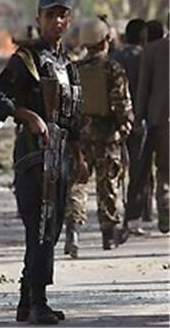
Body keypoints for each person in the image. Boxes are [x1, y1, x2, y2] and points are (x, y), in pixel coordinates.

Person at [0, 0, 83, 325]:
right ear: (39, 18)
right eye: (50, 15)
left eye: (62, 15)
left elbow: (74, 116)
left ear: (68, 20)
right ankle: (37, 302)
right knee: (39, 228)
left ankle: (27, 300)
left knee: (51, 230)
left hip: (61, 156)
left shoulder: (67, 63)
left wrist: (80, 154)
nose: (57, 21)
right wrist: (26, 114)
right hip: (33, 156)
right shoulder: (26, 59)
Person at [64, 16, 133, 257]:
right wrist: (126, 128)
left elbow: (68, 106)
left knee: (77, 185)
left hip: (80, 138)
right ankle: (109, 235)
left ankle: (73, 229)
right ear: (105, 40)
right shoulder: (113, 68)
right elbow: (121, 104)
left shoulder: (74, 70)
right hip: (107, 138)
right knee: (108, 185)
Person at [112, 19, 152, 232]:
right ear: (143, 36)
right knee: (139, 170)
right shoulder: (144, 57)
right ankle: (136, 217)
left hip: (112, 123)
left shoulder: (114, 56)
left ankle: (114, 215)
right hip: (138, 121)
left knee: (114, 170)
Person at [134, 30, 169, 234]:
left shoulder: (152, 50)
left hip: (160, 118)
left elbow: (143, 88)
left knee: (164, 167)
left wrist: (139, 118)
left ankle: (165, 207)